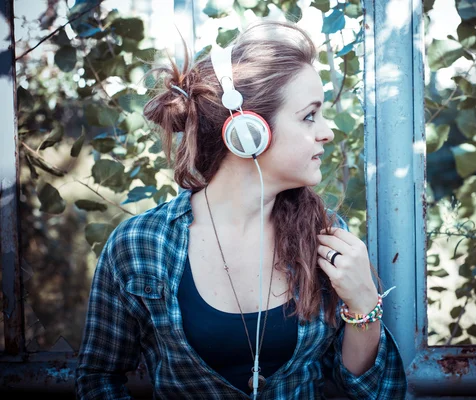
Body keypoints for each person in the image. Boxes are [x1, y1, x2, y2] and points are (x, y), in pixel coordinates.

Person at [75, 19, 406, 399]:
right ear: (248, 132)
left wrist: (363, 303)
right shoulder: (140, 244)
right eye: (309, 115)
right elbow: (98, 378)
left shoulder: (327, 237)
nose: (327, 132)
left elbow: (372, 391)